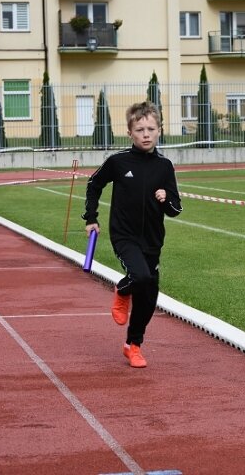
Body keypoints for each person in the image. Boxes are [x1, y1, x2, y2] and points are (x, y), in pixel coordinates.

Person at [83, 101, 183, 368]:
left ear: (159, 130)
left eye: (151, 128)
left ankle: (133, 345)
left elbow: (176, 209)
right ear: (130, 133)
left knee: (149, 296)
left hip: (153, 241)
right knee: (139, 276)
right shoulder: (118, 162)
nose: (146, 134)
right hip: (124, 235)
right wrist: (91, 218)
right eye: (140, 129)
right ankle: (122, 289)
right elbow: (94, 184)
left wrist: (165, 199)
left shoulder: (164, 166)